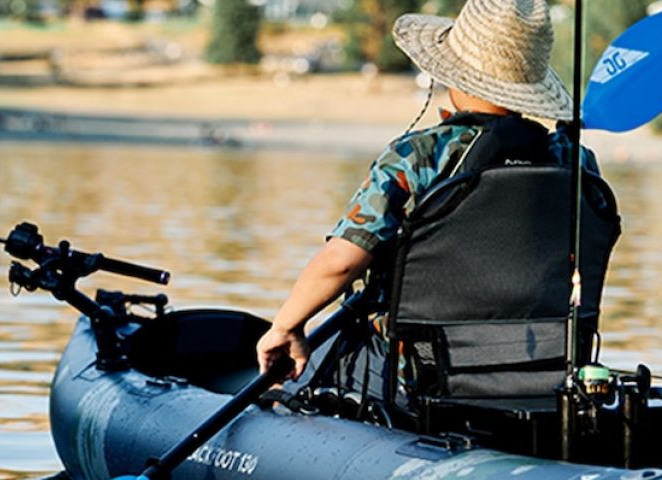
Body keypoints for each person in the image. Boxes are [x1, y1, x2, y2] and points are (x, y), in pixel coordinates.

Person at [256, 0, 605, 394]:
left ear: (455, 75)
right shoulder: (577, 161)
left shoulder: (416, 156)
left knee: (290, 384)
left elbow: (341, 261)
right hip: (544, 371)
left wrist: (286, 326)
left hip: (418, 371)